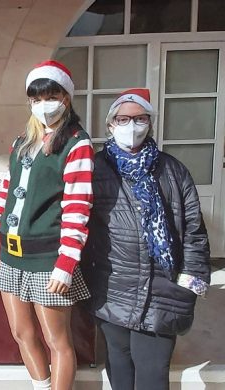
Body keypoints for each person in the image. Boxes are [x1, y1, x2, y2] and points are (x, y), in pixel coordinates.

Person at [81, 88, 211, 390]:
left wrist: (188, 283)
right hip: (111, 288)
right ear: (111, 124)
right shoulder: (94, 169)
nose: (132, 126)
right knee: (120, 367)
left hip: (162, 289)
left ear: (149, 124)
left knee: (152, 373)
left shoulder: (173, 169)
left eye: (139, 119)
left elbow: (194, 231)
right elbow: (78, 223)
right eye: (124, 119)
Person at [0, 60, 94, 390]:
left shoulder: (77, 143)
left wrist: (66, 263)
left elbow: (78, 206)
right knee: (21, 332)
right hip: (13, 254)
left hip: (48, 257)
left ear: (66, 98)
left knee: (56, 340)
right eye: (36, 99)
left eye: (51, 96)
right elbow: (7, 190)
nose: (44, 105)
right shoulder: (23, 141)